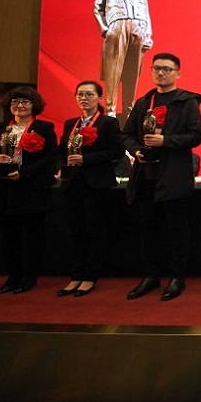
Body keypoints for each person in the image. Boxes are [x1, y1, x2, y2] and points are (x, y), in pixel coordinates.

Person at [121, 53, 201, 301]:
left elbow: (196, 135)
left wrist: (165, 141)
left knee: (177, 229)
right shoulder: (143, 102)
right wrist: (136, 150)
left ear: (178, 73)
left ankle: (177, 277)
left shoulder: (186, 101)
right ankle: (150, 276)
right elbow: (126, 135)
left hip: (174, 175)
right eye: (157, 68)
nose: (161, 73)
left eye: (167, 69)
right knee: (148, 228)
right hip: (146, 176)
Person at [0, 86, 59, 294]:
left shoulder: (44, 128)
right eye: (15, 101)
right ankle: (13, 276)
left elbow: (51, 156)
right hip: (4, 188)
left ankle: (30, 277)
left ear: (34, 106)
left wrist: (24, 173)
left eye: (25, 102)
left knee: (33, 235)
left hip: (32, 188)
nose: (20, 105)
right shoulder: (0, 128)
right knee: (9, 235)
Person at [57, 81, 122, 298]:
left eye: (89, 94)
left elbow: (117, 151)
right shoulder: (70, 123)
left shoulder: (107, 123)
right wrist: (61, 166)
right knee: (74, 230)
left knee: (95, 230)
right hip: (72, 183)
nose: (84, 98)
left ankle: (90, 276)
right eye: (80, 94)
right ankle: (76, 275)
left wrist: (87, 159)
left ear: (99, 98)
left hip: (96, 183)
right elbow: (61, 150)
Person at [94, 0, 153, 120]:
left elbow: (145, 9)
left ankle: (129, 111)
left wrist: (148, 34)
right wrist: (106, 29)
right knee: (114, 71)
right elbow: (97, 7)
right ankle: (110, 111)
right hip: (118, 27)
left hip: (138, 28)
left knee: (133, 73)